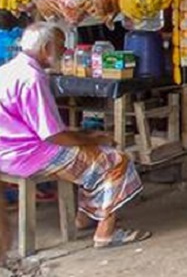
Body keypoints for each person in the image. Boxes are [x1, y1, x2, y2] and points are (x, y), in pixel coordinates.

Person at [0, 23, 149, 248]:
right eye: (60, 46)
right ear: (46, 47)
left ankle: (85, 217)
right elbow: (52, 136)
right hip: (29, 155)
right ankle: (105, 232)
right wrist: (94, 139)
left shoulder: (8, 70)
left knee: (91, 155)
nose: (65, 51)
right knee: (114, 160)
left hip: (6, 152)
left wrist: (86, 137)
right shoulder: (33, 78)